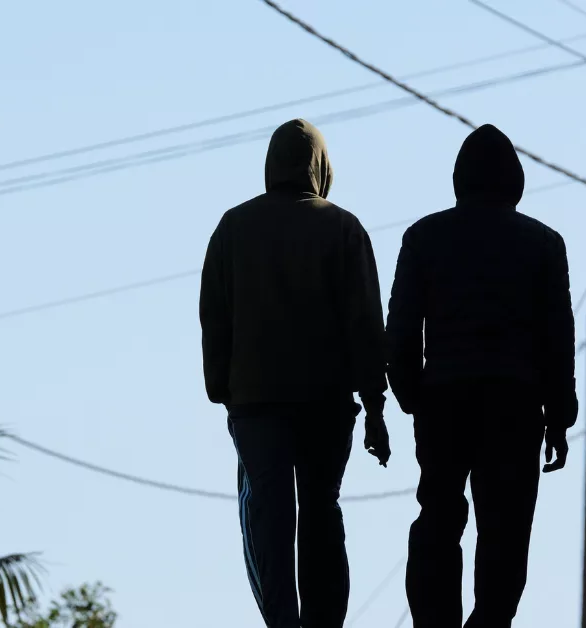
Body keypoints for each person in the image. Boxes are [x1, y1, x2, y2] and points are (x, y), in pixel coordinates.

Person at [199, 118, 391, 628]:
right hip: (327, 404)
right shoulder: (344, 228)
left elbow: (214, 317)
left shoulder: (232, 227)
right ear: (321, 167)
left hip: (255, 406)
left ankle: (281, 620)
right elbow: (367, 326)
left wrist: (222, 387)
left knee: (270, 514)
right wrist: (374, 407)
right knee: (322, 512)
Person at [386, 123, 578, 628]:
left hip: (443, 400)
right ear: (514, 181)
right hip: (516, 406)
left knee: (438, 518)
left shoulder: (424, 237)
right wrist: (559, 416)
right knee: (506, 531)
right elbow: (557, 338)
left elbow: (402, 327)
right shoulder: (543, 244)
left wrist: (411, 395)